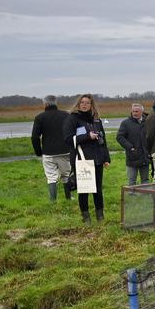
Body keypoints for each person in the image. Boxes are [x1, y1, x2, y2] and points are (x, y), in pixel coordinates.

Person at [63, 94, 111, 223]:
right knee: (84, 189)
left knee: (98, 189)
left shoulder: (96, 120)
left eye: (87, 103)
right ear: (78, 104)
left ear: (92, 105)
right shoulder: (72, 119)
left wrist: (106, 158)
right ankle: (86, 217)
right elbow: (68, 139)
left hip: (98, 159)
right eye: (82, 102)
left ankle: (100, 216)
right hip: (82, 160)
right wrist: (87, 136)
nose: (84, 105)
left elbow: (103, 140)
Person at [31, 95, 72, 201]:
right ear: (56, 103)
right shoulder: (66, 115)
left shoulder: (39, 117)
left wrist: (39, 152)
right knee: (66, 175)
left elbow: (35, 137)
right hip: (65, 151)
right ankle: (68, 197)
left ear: (45, 104)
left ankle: (53, 201)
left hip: (48, 152)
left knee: (51, 177)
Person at [116, 102, 150, 186]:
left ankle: (145, 198)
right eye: (133, 111)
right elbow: (119, 137)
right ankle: (131, 198)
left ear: (142, 112)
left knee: (145, 180)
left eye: (137, 111)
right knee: (132, 181)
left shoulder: (147, 122)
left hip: (145, 157)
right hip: (132, 157)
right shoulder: (126, 123)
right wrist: (130, 147)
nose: (134, 113)